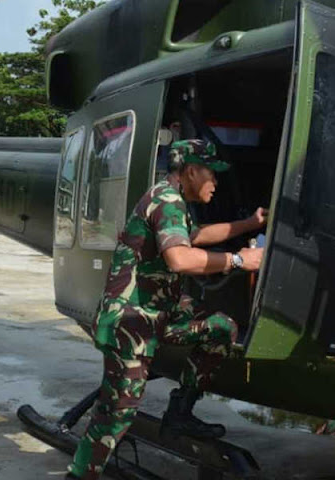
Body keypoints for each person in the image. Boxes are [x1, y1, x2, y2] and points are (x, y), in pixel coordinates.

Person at [66, 139, 266, 480]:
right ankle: (80, 474)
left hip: (159, 315)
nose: (215, 183)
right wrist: (237, 260)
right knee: (117, 413)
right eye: (211, 175)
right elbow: (180, 258)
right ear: (190, 172)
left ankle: (180, 412)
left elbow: (196, 236)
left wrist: (249, 223)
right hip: (130, 322)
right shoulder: (167, 201)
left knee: (220, 328)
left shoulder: (172, 199)